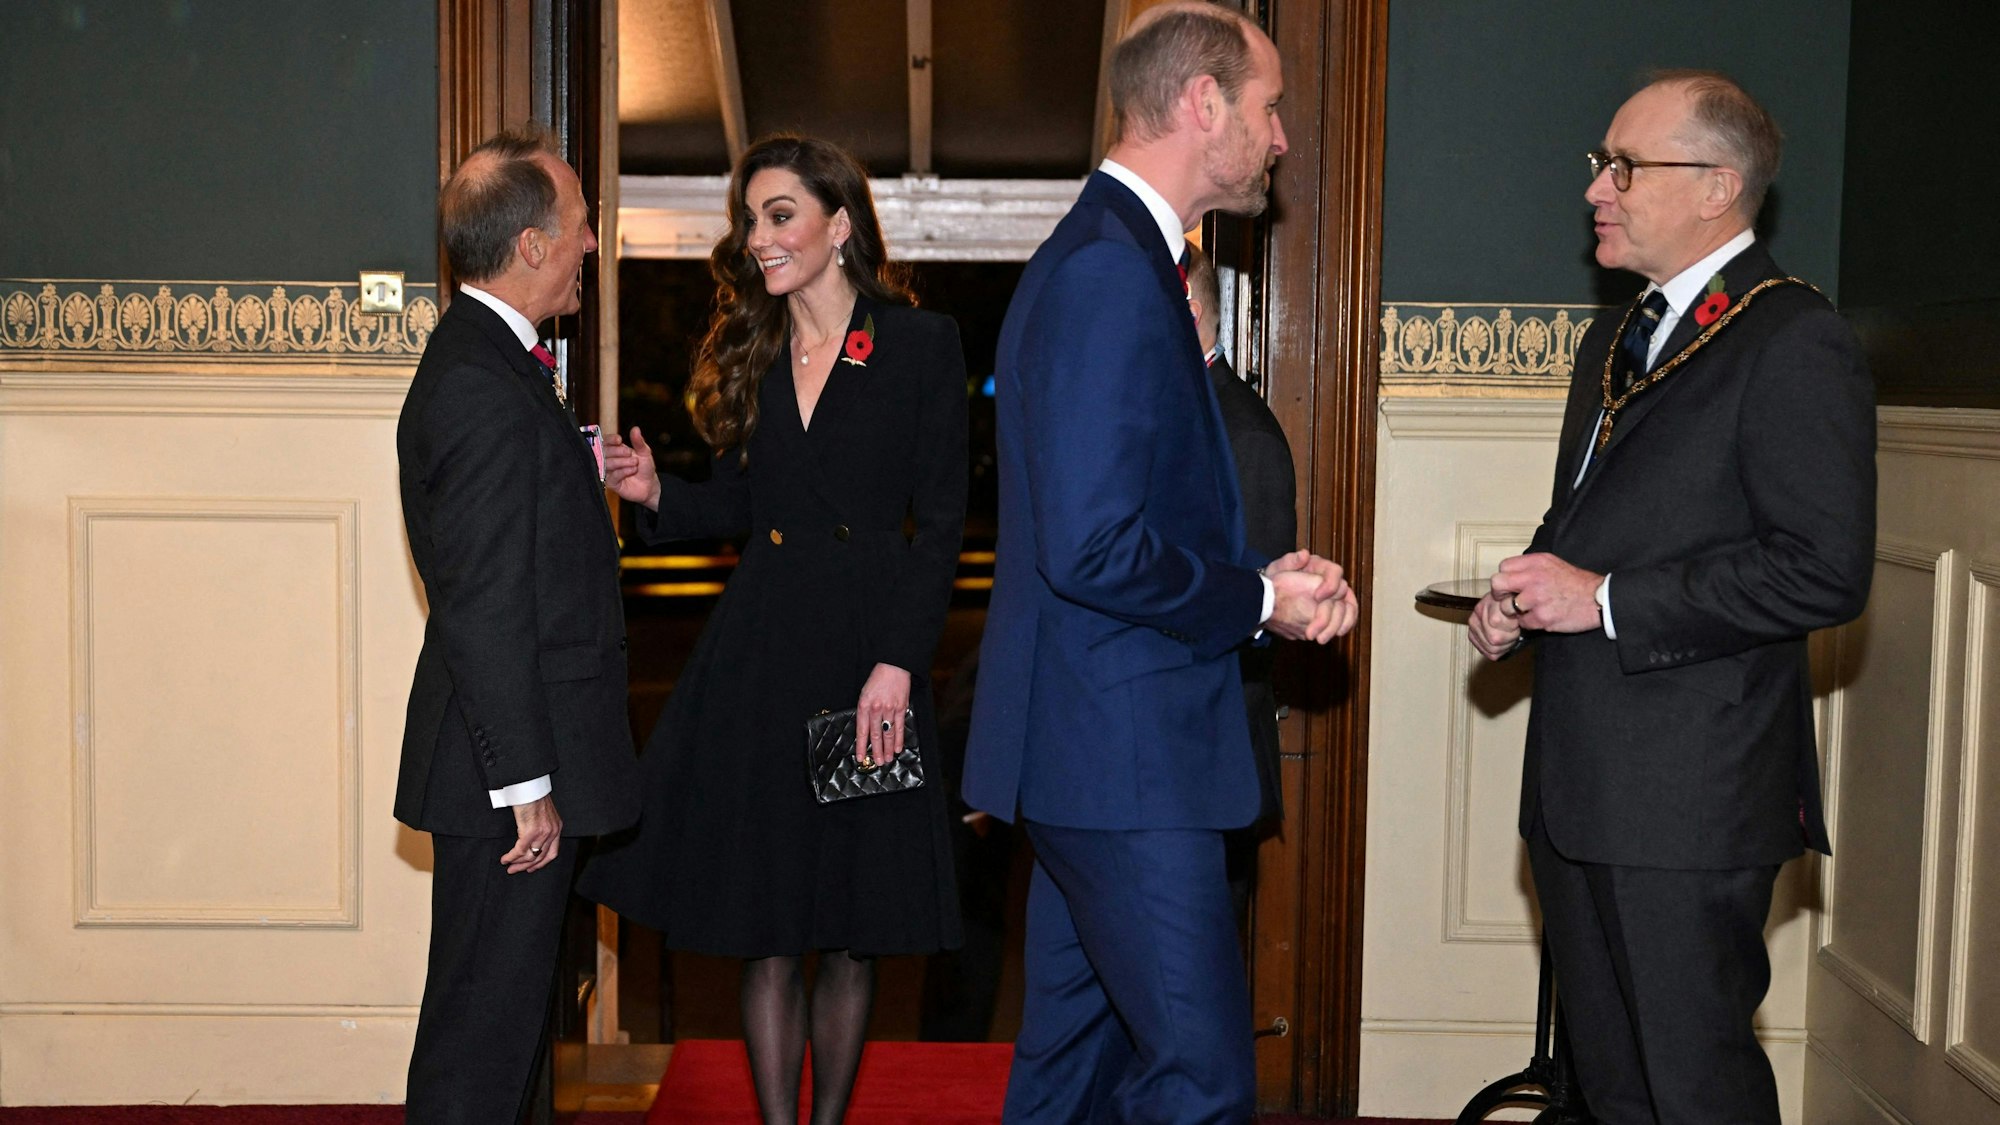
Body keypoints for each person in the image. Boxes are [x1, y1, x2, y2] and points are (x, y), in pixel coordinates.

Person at [961, 5, 1360, 1122]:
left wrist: (1262, 575)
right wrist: (1257, 601)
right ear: (1201, 103)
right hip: (1124, 759)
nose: (1279, 138)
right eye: (1269, 106)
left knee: (1070, 1076)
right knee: (1198, 1084)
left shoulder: (1119, 254)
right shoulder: (1107, 271)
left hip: (1100, 752)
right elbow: (1092, 546)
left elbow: (1118, 511)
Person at [1468, 71, 1874, 1125]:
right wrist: (1519, 591)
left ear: (1715, 187)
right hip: (1579, 782)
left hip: (1690, 798)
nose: (1596, 189)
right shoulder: (1616, 337)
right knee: (1608, 1091)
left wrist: (1603, 600)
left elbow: (1822, 569)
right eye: (1598, 164)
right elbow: (1591, 523)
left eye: (1624, 166)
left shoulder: (1791, 341)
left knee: (1692, 1090)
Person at [577, 134, 968, 1125]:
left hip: (863, 665)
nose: (758, 237)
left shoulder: (917, 344)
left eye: (779, 214)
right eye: (750, 219)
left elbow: (941, 526)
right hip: (763, 656)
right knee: (768, 926)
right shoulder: (757, 349)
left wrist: (895, 665)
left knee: (846, 928)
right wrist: (659, 488)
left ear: (838, 225)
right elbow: (750, 506)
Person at [395, 125, 640, 1124]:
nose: (591, 243)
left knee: (508, 1040)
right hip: (505, 773)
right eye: (581, 226)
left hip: (511, 758)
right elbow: (484, 604)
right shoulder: (481, 388)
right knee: (477, 1044)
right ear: (532, 244)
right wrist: (525, 786)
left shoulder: (494, 365)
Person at [1184, 240, 1298, 912]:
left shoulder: (1242, 434)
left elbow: (1255, 613)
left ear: (1188, 306)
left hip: (1210, 757)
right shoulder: (1168, 412)